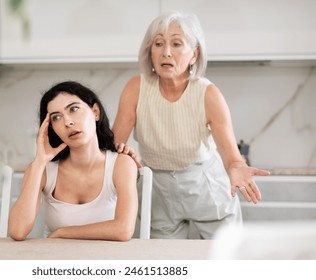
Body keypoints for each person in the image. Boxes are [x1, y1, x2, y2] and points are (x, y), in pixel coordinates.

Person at [112, 11, 270, 239]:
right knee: (164, 265)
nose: (166, 52)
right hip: (159, 191)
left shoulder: (208, 94)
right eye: (158, 43)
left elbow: (232, 158)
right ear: (150, 51)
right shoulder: (136, 88)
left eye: (176, 44)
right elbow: (114, 148)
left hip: (205, 186)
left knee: (223, 260)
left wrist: (237, 168)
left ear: (194, 54)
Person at [8, 81, 138, 241]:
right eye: (56, 117)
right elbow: (17, 231)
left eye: (74, 109)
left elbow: (123, 230)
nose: (67, 122)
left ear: (95, 112)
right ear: (51, 128)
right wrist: (39, 161)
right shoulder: (43, 170)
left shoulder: (121, 164)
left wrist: (63, 232)